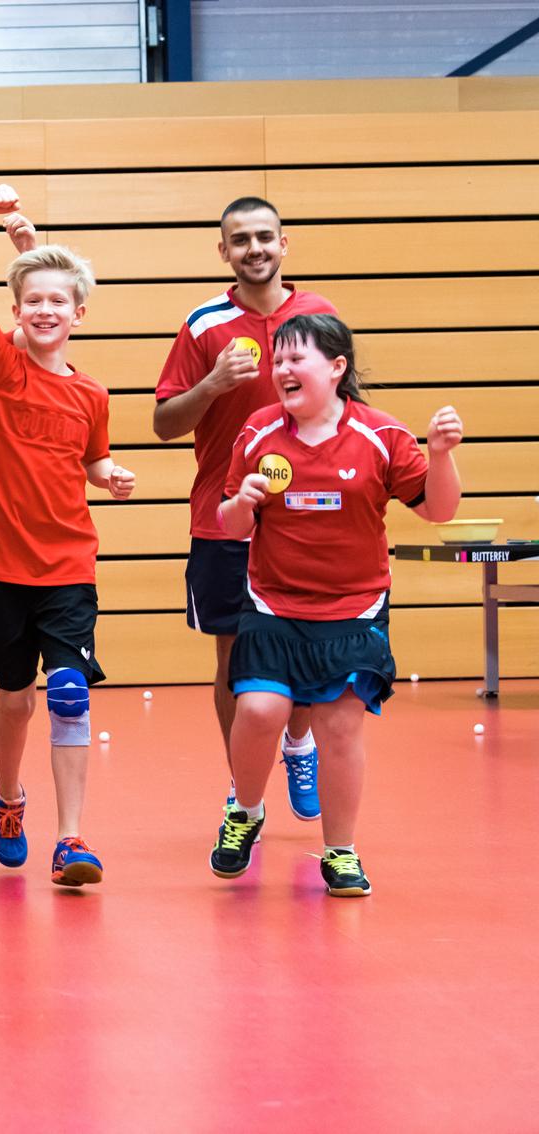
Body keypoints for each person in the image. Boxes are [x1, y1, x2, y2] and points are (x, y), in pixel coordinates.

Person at [214, 314, 461, 896]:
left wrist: (442, 453)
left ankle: (340, 852)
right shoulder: (257, 433)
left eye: (296, 359)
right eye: (278, 360)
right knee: (258, 712)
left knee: (339, 729)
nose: (282, 370)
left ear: (337, 368)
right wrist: (244, 501)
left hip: (354, 611)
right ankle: (245, 813)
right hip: (274, 606)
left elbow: (437, 511)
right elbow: (228, 524)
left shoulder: (381, 437)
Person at [0, 185, 135, 887]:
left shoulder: (91, 394)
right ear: (18, 310)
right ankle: (8, 797)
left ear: (79, 314)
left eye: (61, 301)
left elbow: (90, 459)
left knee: (68, 693)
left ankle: (72, 838)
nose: (47, 310)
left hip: (68, 566)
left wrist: (110, 474)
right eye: (35, 301)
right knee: (15, 697)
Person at [154, 197, 339, 826]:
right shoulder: (204, 325)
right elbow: (162, 424)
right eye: (240, 240)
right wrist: (211, 386)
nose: (254, 248)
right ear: (224, 252)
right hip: (223, 518)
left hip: (309, 519)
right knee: (233, 659)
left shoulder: (319, 314)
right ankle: (244, 788)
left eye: (265, 237)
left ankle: (298, 743)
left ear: (284, 244)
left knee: (306, 649)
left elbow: (349, 404)